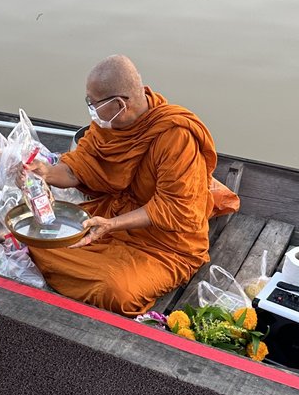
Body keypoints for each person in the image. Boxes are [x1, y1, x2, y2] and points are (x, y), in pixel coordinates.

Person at [24, 55, 238, 317]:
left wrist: (112, 225)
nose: (91, 109)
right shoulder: (111, 123)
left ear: (119, 104)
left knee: (116, 292)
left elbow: (175, 208)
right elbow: (81, 166)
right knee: (35, 242)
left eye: (93, 103)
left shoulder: (176, 135)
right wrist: (45, 173)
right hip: (112, 213)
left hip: (165, 243)